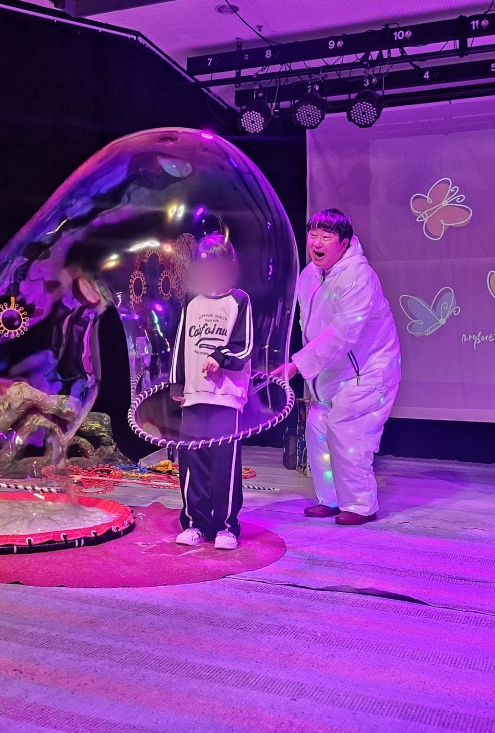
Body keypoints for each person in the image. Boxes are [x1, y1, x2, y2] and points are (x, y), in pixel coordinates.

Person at [275, 209, 401, 525]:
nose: (317, 243)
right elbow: (307, 326)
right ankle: (331, 499)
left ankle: (360, 505)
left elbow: (343, 333)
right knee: (318, 428)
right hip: (332, 371)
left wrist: (297, 365)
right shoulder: (309, 275)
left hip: (367, 371)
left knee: (347, 431)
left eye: (326, 237)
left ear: (344, 243)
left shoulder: (358, 277)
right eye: (313, 235)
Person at [169, 233, 253, 550]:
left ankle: (226, 527)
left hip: (226, 397)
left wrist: (220, 357)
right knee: (192, 462)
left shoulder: (239, 300)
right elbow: (180, 344)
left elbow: (244, 346)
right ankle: (195, 524)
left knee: (224, 464)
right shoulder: (192, 299)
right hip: (194, 395)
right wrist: (178, 383)